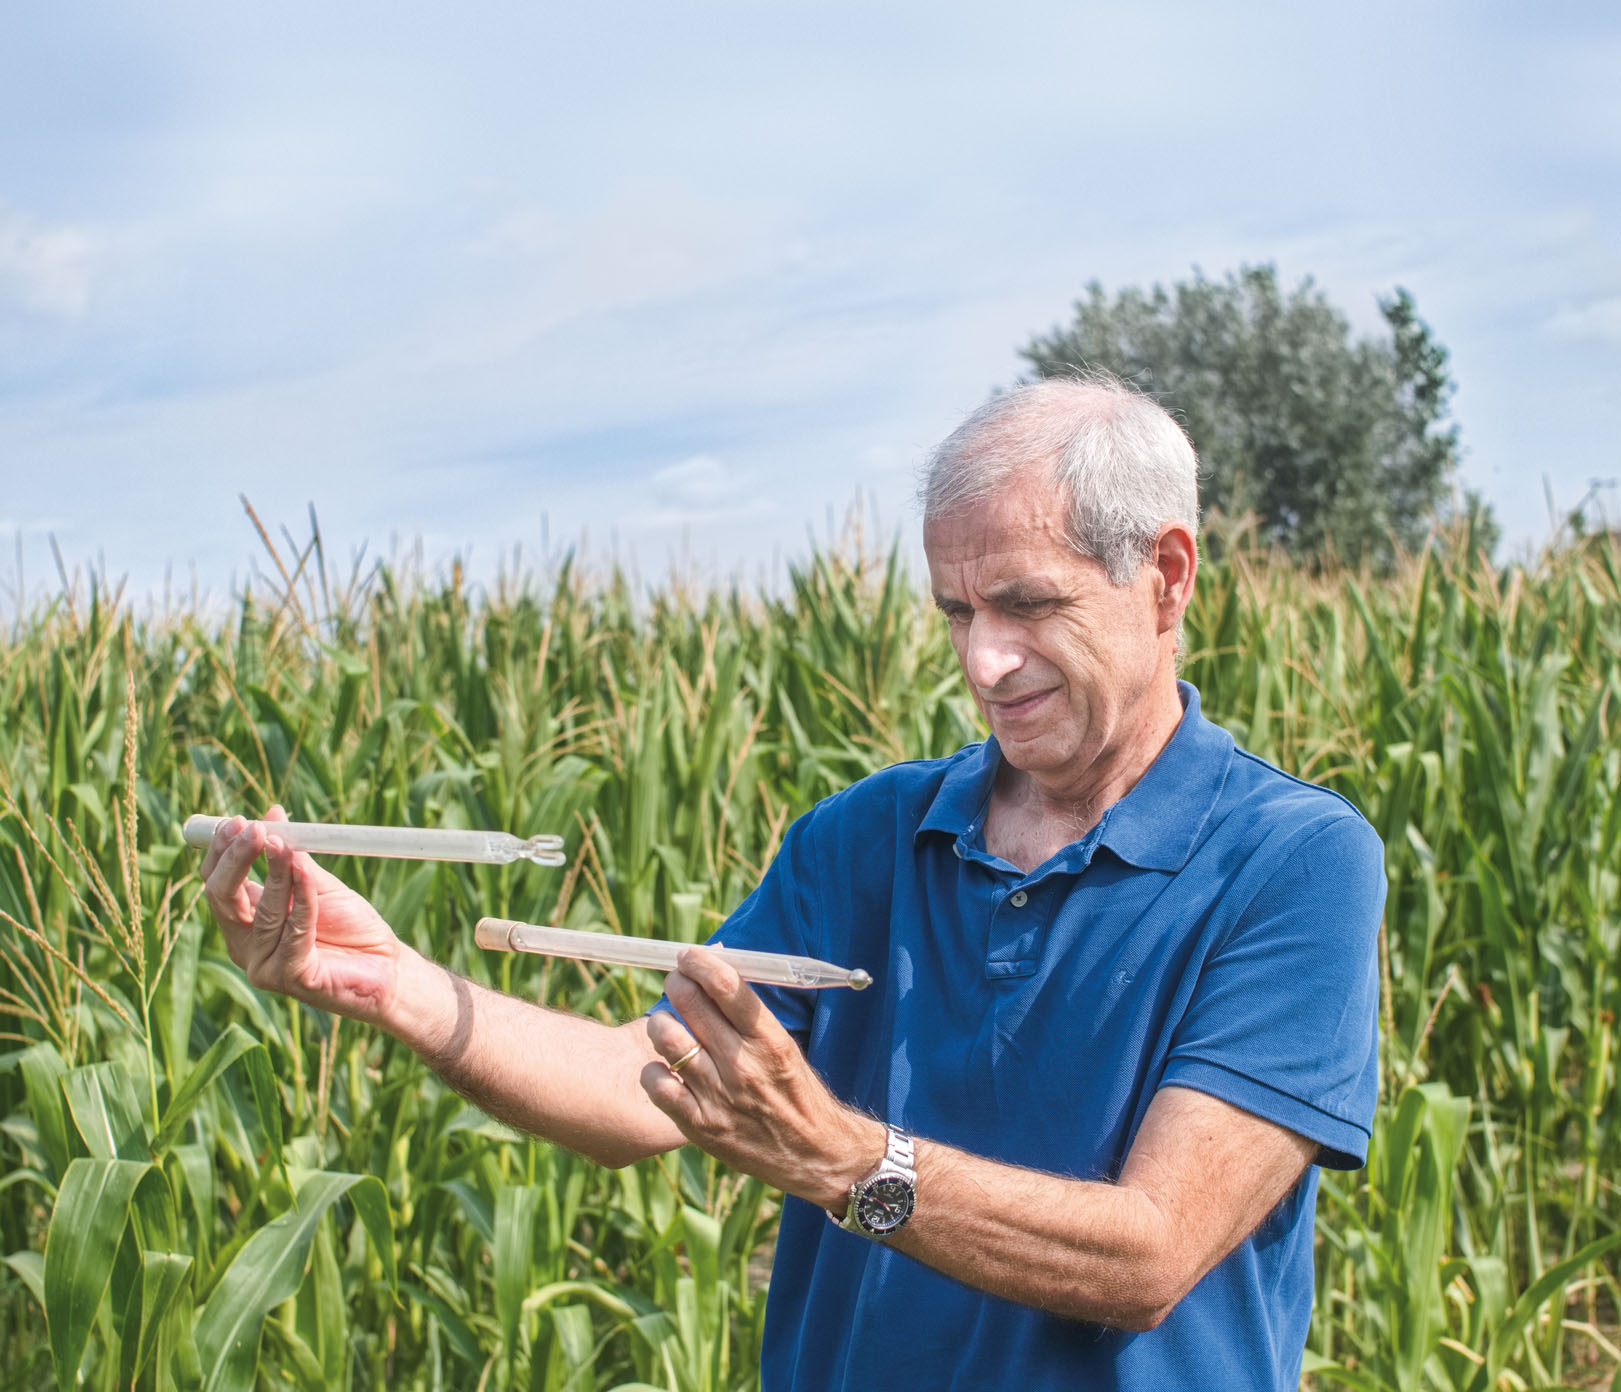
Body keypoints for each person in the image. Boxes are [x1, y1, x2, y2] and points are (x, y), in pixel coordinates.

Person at [201, 376, 1385, 1391]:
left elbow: (1149, 1256)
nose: (983, 661)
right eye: (958, 612)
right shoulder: (869, 835)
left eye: (1027, 604)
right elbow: (636, 1084)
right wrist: (394, 984)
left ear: (1166, 577)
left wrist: (845, 1162)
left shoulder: (1291, 862)